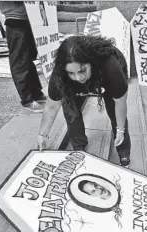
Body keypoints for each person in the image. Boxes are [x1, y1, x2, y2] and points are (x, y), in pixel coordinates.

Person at [37, 35, 131, 167]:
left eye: (82, 71)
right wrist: (42, 134)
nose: (78, 77)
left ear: (90, 62)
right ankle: (79, 146)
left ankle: (124, 151)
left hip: (104, 74)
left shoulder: (110, 65)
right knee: (70, 107)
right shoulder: (60, 72)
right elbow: (52, 107)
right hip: (84, 76)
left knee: (112, 108)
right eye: (71, 73)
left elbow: (120, 102)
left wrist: (120, 130)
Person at [0, 1, 47, 112]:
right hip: (15, 19)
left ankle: (36, 93)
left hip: (29, 17)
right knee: (20, 61)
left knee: (29, 59)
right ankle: (27, 100)